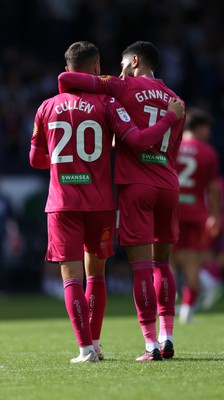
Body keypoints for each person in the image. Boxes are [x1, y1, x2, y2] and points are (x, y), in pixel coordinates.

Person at [29, 41, 184, 364]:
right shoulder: (168, 101)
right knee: (122, 271)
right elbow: (149, 142)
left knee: (76, 276)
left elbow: (35, 158)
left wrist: (62, 161)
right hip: (118, 197)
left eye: (125, 62)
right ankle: (159, 335)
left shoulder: (52, 105)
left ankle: (96, 348)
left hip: (69, 201)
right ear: (97, 66)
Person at [170, 108, 221, 323]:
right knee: (193, 264)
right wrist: (215, 215)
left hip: (171, 211)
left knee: (166, 263)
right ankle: (187, 311)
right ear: (200, 127)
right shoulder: (208, 152)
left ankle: (167, 308)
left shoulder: (172, 147)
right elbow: (214, 188)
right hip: (196, 214)